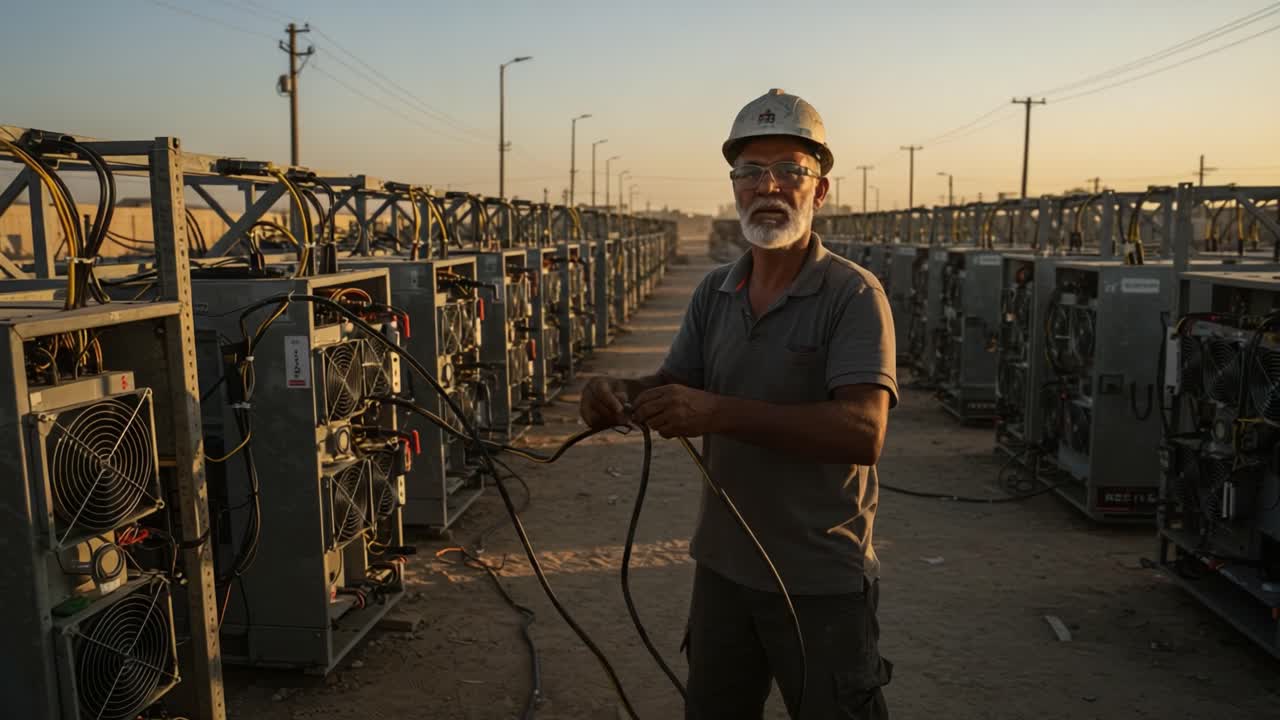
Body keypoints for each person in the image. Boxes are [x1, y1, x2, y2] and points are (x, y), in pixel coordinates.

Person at [580, 89, 896, 719]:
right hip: (723, 569)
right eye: (750, 171)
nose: (767, 186)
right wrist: (620, 393)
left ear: (821, 190)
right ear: (734, 187)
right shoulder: (715, 291)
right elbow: (679, 381)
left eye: (789, 171)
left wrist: (719, 414)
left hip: (818, 574)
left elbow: (864, 431)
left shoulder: (853, 295)